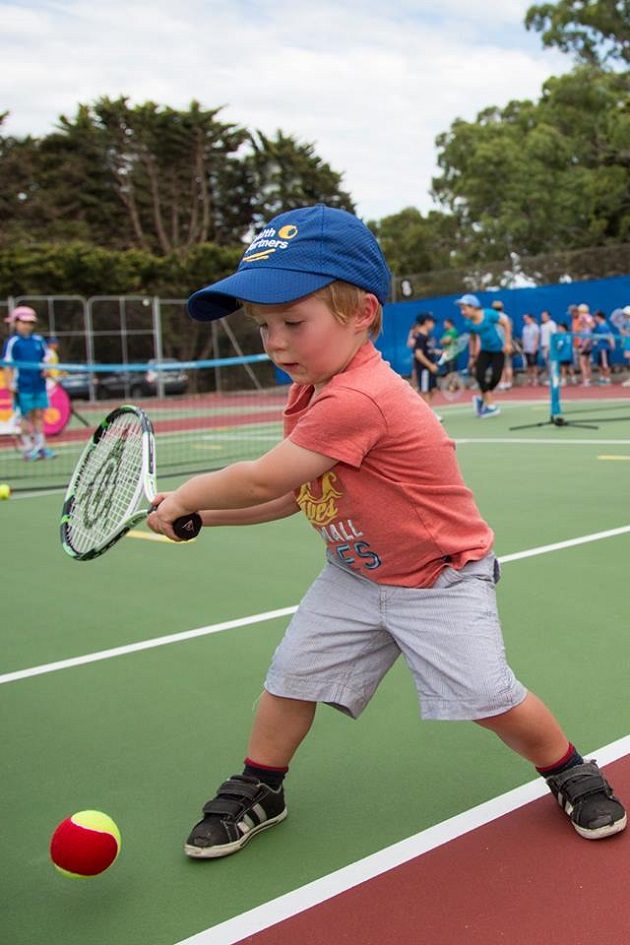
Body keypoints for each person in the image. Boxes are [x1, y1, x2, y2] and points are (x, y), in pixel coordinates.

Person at [146, 204, 626, 859]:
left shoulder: (359, 396)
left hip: (440, 576)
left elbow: (262, 479)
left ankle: (568, 767)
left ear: (361, 314)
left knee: (490, 695)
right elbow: (292, 496)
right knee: (290, 679)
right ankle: (262, 785)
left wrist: (191, 493)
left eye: (293, 321)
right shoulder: (311, 390)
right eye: (263, 327)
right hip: (355, 572)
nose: (277, 342)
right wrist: (204, 516)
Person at [3, 307, 56, 460]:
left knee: (39, 415)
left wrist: (46, 371)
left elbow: (46, 360)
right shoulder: (13, 342)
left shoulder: (39, 340)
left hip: (38, 385)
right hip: (22, 386)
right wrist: (10, 385)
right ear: (16, 323)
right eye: (23, 322)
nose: (27, 325)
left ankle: (41, 447)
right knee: (25, 417)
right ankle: (28, 448)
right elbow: (8, 365)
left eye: (30, 322)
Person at [454, 294, 511, 418]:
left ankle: (481, 398)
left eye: (464, 309)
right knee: (479, 375)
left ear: (473, 307)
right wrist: (472, 356)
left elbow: (506, 323)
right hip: (484, 351)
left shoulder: (489, 314)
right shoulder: (469, 323)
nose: (462, 312)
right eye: (461, 309)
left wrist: (507, 343)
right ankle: (491, 406)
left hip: (498, 350)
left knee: (496, 378)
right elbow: (473, 339)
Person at [411, 313, 442, 421]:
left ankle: (425, 411)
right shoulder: (419, 337)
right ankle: (428, 416)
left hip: (430, 368)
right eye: (432, 321)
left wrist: (438, 352)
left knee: (433, 390)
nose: (433, 324)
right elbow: (418, 354)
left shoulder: (428, 336)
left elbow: (428, 350)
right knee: (426, 391)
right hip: (424, 369)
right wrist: (430, 365)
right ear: (426, 322)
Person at [492, 301, 514, 391]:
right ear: (502, 308)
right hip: (507, 343)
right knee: (508, 365)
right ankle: (508, 383)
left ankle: (501, 383)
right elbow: (510, 330)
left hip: (497, 344)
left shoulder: (493, 318)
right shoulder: (507, 317)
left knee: (499, 365)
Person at [591, 311, 614, 385]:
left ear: (599, 317)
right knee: (600, 364)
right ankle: (603, 378)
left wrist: (612, 344)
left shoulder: (604, 326)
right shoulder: (600, 325)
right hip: (600, 348)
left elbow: (609, 336)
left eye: (595, 317)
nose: (594, 318)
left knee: (605, 364)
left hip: (604, 348)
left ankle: (607, 379)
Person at [575, 303, 595, 387]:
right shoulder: (588, 318)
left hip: (585, 343)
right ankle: (588, 380)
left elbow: (591, 327)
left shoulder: (584, 318)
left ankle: (585, 381)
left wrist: (582, 347)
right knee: (587, 362)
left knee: (582, 362)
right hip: (586, 342)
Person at [521, 313, 541, 386]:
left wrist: (534, 348)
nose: (525, 320)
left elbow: (536, 338)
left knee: (534, 365)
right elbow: (523, 338)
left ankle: (535, 379)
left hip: (533, 349)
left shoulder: (535, 327)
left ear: (531, 318)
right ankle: (528, 379)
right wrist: (523, 348)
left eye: (526, 318)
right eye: (524, 319)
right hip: (526, 349)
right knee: (528, 365)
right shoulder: (524, 328)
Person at [539, 310, 557, 382]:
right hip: (544, 347)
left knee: (552, 363)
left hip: (550, 347)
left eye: (544, 316)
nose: (543, 317)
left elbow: (554, 336)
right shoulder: (542, 325)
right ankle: (550, 378)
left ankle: (554, 379)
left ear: (549, 316)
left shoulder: (552, 324)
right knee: (547, 364)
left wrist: (551, 346)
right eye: (542, 316)